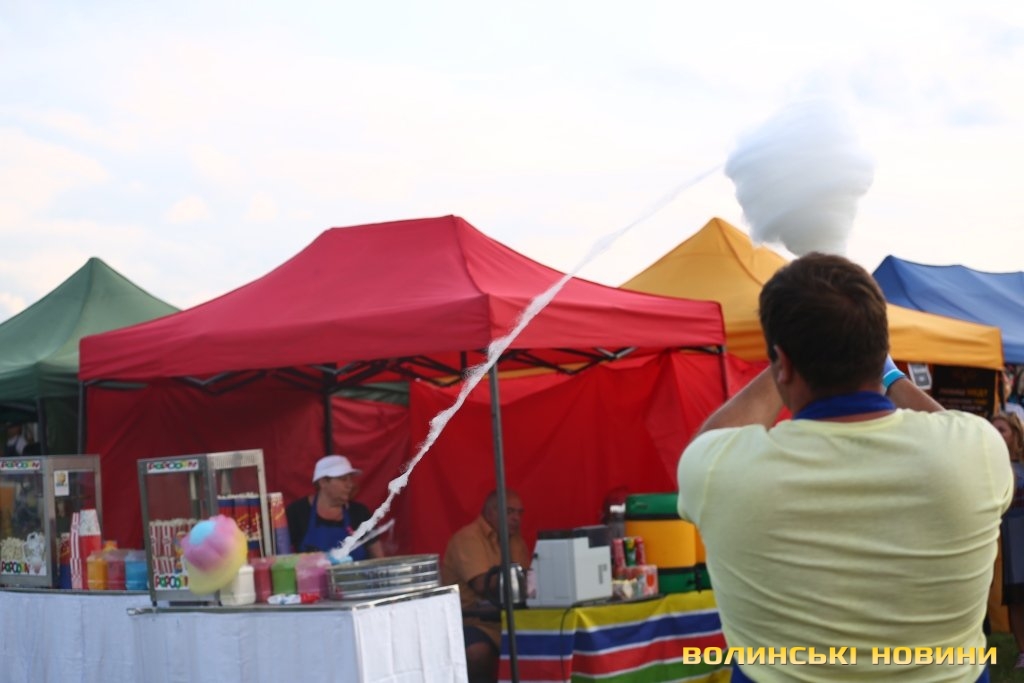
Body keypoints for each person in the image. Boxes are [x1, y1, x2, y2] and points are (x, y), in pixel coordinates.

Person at [676, 253, 1012, 682]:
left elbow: (707, 443)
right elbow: (951, 431)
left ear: (783, 362)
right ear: (879, 349)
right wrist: (893, 378)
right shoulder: (979, 451)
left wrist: (787, 362)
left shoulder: (721, 470)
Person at [441, 489, 531, 683]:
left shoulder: (516, 541)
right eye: (509, 512)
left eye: (519, 513)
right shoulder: (468, 538)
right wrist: (521, 578)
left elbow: (526, 583)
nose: (516, 518)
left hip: (508, 621)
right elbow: (483, 585)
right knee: (477, 652)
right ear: (490, 512)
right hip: (473, 622)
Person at [285, 455, 384, 560]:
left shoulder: (359, 512)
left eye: (350, 479)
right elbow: (282, 556)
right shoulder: (297, 512)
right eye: (343, 479)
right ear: (323, 482)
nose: (350, 485)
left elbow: (378, 557)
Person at [992, 412, 1024, 667]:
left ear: (1015, 434)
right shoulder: (989, 467)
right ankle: (1023, 651)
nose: (996, 435)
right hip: (1010, 537)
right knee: (1016, 596)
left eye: (1002, 430)